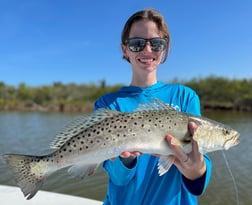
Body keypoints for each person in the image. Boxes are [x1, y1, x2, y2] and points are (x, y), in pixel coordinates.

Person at [94, 8, 212, 205]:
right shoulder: (108, 104)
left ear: (164, 48)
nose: (147, 50)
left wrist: (196, 170)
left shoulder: (184, 96)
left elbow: (198, 179)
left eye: (156, 43)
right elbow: (118, 178)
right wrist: (126, 161)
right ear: (125, 49)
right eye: (137, 43)